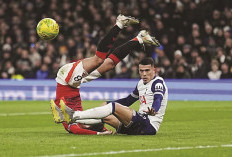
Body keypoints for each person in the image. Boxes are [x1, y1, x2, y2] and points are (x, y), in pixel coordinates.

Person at [50, 15, 160, 135]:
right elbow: (99, 121)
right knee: (110, 64)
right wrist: (104, 130)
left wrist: (99, 134)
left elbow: (75, 130)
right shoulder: (84, 119)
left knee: (98, 60)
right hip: (75, 83)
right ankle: (139, 39)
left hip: (65, 78)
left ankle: (119, 23)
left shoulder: (70, 122)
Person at [59, 57, 168, 135]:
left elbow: (158, 98)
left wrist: (154, 109)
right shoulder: (140, 83)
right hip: (137, 124)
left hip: (148, 125)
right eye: (141, 71)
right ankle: (71, 120)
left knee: (113, 107)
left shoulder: (157, 83)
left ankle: (74, 115)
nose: (144, 74)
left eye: (147, 71)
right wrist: (108, 103)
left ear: (154, 70)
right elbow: (128, 100)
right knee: (105, 114)